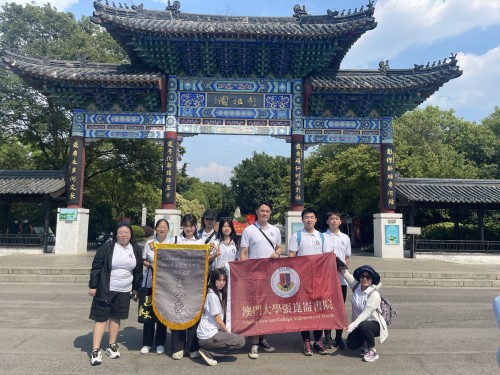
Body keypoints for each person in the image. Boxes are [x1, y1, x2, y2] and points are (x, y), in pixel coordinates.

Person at [88, 223, 143, 366]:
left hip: (124, 290)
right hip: (106, 288)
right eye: (121, 232)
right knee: (101, 318)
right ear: (116, 234)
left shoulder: (135, 249)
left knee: (116, 317)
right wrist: (93, 285)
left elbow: (138, 271)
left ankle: (111, 345)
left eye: (126, 232)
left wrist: (136, 288)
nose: (124, 235)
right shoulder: (108, 247)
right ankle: (95, 349)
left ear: (131, 235)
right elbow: (96, 266)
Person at [239, 201, 281, 359]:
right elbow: (244, 252)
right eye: (262, 210)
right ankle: (254, 343)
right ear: (256, 212)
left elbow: (278, 247)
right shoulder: (249, 231)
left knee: (266, 309)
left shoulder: (275, 230)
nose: (264, 213)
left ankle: (263, 338)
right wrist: (243, 274)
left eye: (267, 211)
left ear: (270, 213)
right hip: (253, 276)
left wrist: (277, 253)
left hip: (270, 276)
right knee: (255, 308)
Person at [288, 208, 332, 356]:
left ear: (316, 220)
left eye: (312, 217)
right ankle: (306, 341)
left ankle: (318, 340)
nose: (309, 220)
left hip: (319, 280)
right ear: (302, 220)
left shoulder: (323, 236)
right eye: (306, 217)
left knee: (319, 310)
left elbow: (327, 258)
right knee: (304, 310)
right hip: (302, 280)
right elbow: (292, 256)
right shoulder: (297, 236)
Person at [168, 214, 208, 361]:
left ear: (195, 226)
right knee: (178, 312)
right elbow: (163, 254)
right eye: (186, 225)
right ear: (182, 227)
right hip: (177, 282)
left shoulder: (201, 242)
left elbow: (205, 261)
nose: (189, 228)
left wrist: (213, 254)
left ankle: (192, 347)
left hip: (195, 284)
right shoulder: (174, 240)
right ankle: (178, 347)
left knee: (194, 314)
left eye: (191, 226)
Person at [338, 265, 388, 362]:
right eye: (362, 276)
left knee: (364, 325)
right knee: (351, 344)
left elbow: (366, 313)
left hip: (374, 324)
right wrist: (334, 257)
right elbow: (345, 273)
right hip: (359, 325)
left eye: (368, 277)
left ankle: (372, 350)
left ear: (372, 279)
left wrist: (352, 326)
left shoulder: (374, 294)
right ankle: (365, 342)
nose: (364, 279)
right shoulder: (356, 286)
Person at [197, 268, 246, 366]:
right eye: (219, 280)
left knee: (237, 338)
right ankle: (208, 352)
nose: (222, 283)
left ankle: (210, 350)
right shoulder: (212, 296)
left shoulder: (217, 293)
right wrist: (228, 332)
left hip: (208, 333)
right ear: (213, 280)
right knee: (241, 341)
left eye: (224, 280)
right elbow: (218, 320)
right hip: (208, 336)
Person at [140, 219, 169, 355]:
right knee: (149, 313)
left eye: (165, 227)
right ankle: (147, 342)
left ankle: (160, 343)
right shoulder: (150, 243)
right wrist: (150, 265)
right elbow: (143, 259)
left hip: (165, 285)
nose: (162, 229)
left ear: (168, 230)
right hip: (150, 283)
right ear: (156, 229)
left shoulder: (172, 244)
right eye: (160, 227)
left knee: (162, 314)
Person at [323, 211, 351, 350]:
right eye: (331, 219)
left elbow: (347, 257)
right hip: (327, 280)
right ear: (327, 221)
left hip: (341, 280)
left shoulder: (345, 237)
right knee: (327, 308)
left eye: (337, 219)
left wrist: (344, 267)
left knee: (340, 308)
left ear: (341, 221)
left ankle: (338, 336)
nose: (334, 221)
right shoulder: (322, 237)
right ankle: (327, 336)